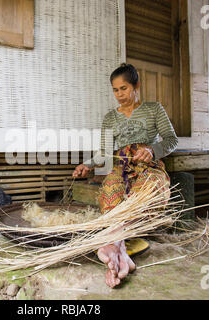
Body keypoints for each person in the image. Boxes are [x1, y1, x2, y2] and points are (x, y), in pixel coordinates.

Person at [73, 63, 178, 288]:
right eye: (115, 90)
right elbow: (102, 153)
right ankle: (121, 250)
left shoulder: (154, 109)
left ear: (136, 85)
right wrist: (87, 165)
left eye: (124, 88)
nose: (119, 95)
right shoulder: (110, 118)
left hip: (148, 167)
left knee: (150, 190)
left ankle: (115, 246)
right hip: (121, 168)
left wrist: (151, 150)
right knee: (111, 190)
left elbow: (172, 140)